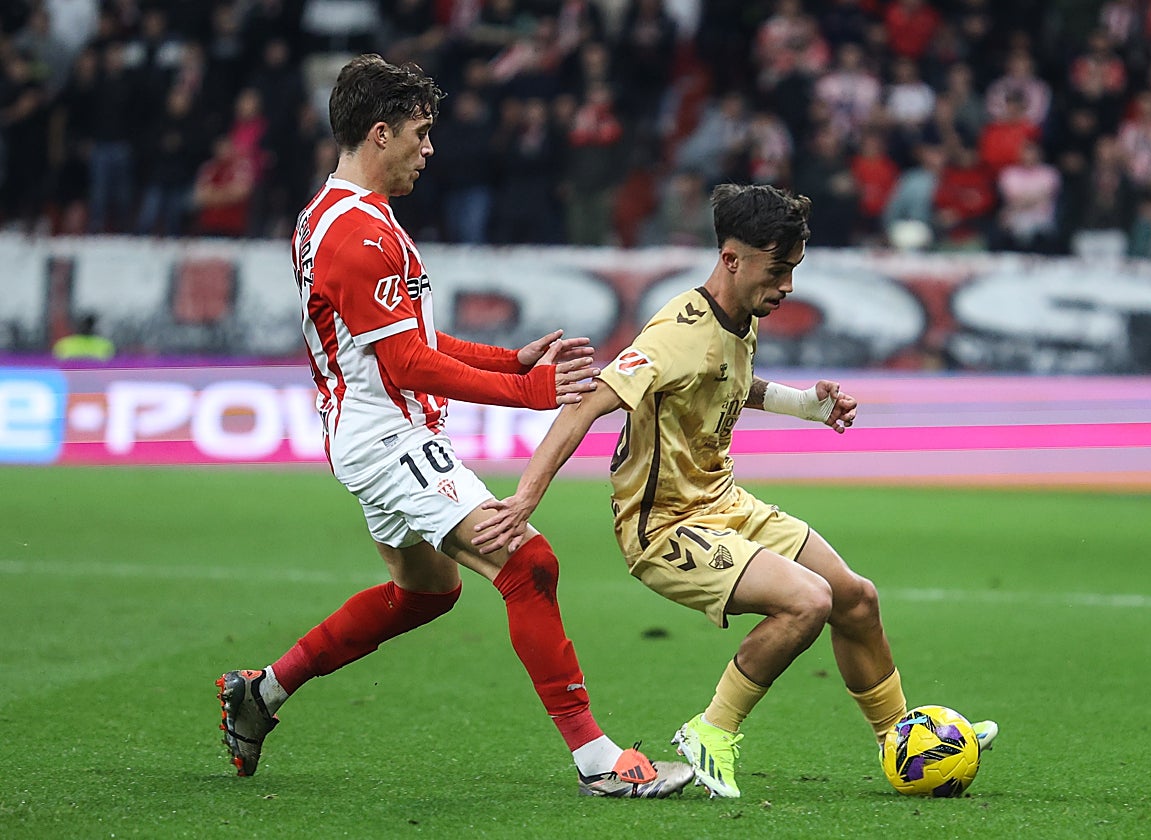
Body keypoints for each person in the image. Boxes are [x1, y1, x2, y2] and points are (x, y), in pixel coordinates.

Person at [215, 54, 693, 799]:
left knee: (427, 592)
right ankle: (598, 761)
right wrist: (530, 393)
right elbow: (406, 363)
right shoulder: (360, 234)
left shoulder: (335, 216)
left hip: (370, 434)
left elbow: (409, 340)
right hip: (388, 439)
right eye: (420, 132)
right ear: (380, 134)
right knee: (527, 564)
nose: (430, 148)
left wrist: (510, 360)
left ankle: (265, 690)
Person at [472, 183, 999, 799]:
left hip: (724, 504)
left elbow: (726, 381)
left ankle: (901, 738)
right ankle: (711, 731)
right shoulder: (675, 332)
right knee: (808, 602)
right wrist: (527, 497)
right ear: (732, 259)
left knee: (856, 597)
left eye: (793, 270)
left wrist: (805, 406)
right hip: (665, 527)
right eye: (778, 270)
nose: (789, 287)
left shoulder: (739, 317)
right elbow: (588, 403)